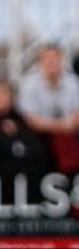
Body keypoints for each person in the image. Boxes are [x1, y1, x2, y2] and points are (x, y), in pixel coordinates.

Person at [17, 43, 79, 172]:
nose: (51, 62)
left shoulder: (73, 82)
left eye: (55, 58)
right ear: (39, 62)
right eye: (47, 58)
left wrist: (66, 125)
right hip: (38, 135)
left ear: (61, 61)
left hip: (69, 134)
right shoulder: (28, 84)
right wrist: (61, 125)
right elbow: (31, 120)